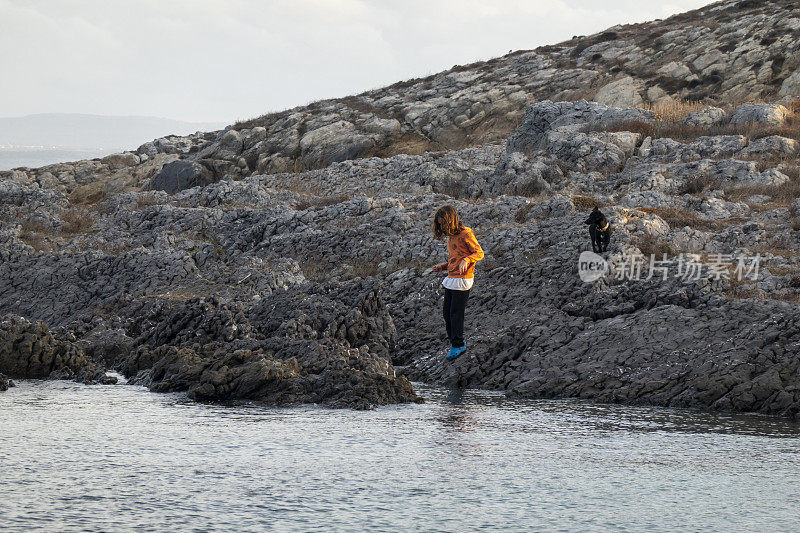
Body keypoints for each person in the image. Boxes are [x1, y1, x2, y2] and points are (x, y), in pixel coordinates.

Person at [431, 205, 484, 360]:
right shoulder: (451, 237)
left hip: (463, 279)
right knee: (447, 314)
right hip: (452, 278)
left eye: (444, 224)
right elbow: (456, 258)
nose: (442, 227)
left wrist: (468, 259)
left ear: (451, 220)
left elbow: (479, 252)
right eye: (440, 225)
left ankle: (458, 345)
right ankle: (455, 343)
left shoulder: (466, 233)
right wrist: (442, 267)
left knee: (456, 314)